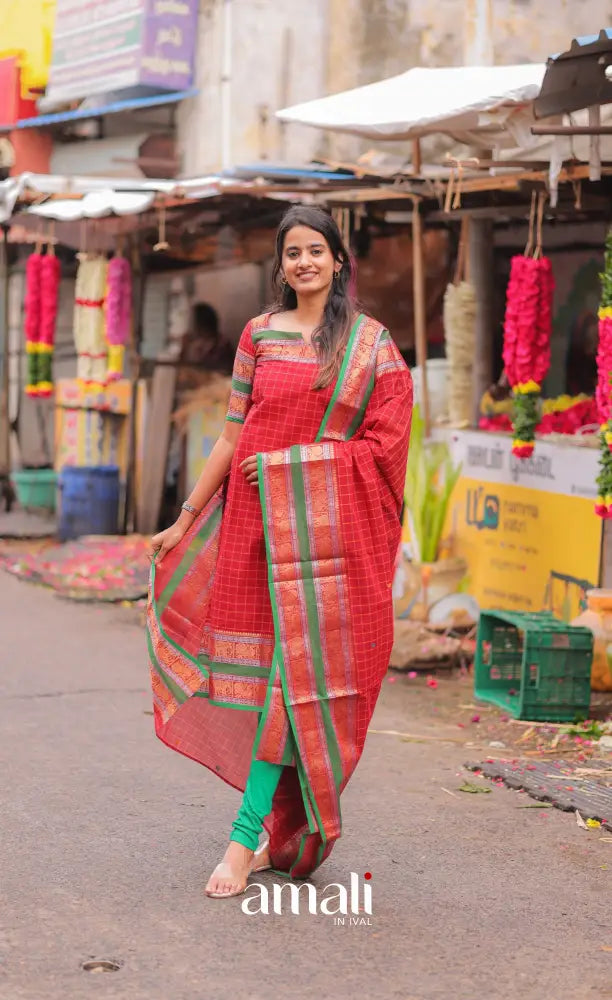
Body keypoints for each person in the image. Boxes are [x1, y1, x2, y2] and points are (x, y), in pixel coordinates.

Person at [146, 206, 413, 899]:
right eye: (293, 252)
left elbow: (386, 448)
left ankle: (242, 842)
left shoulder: (370, 345)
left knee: (286, 687)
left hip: (326, 549)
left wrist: (294, 467)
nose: (305, 262)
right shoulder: (259, 335)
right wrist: (183, 519)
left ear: (338, 260)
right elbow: (232, 436)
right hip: (254, 534)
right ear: (281, 265)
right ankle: (273, 833)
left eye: (316, 250)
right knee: (275, 682)